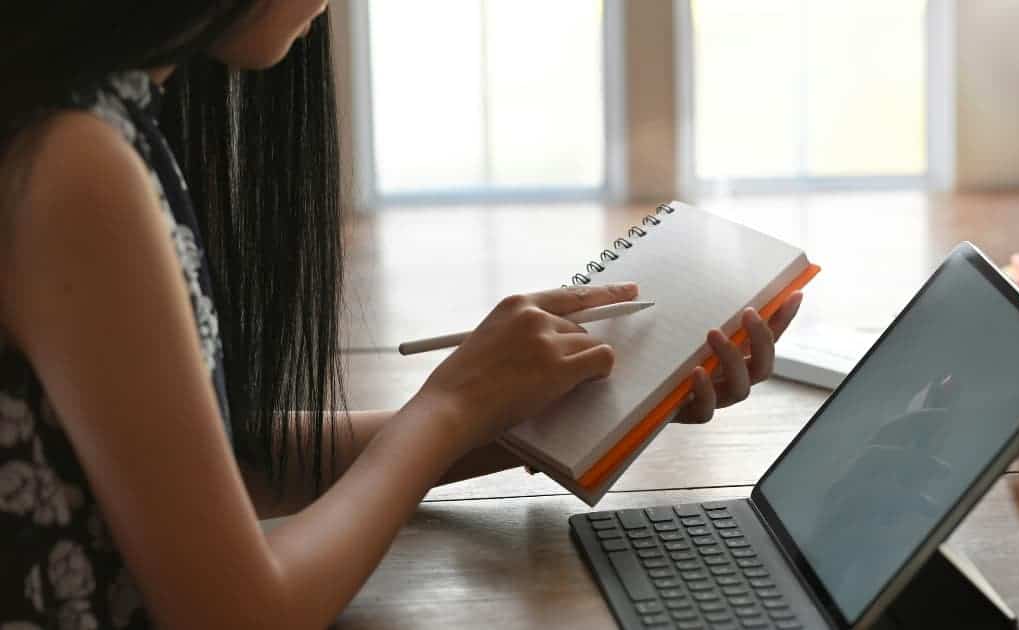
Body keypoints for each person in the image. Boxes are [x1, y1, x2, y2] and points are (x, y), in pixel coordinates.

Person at [0, 3, 805, 628]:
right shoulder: (73, 163)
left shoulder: (91, 122)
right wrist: (450, 403)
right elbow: (241, 613)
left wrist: (554, 409)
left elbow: (226, 476)